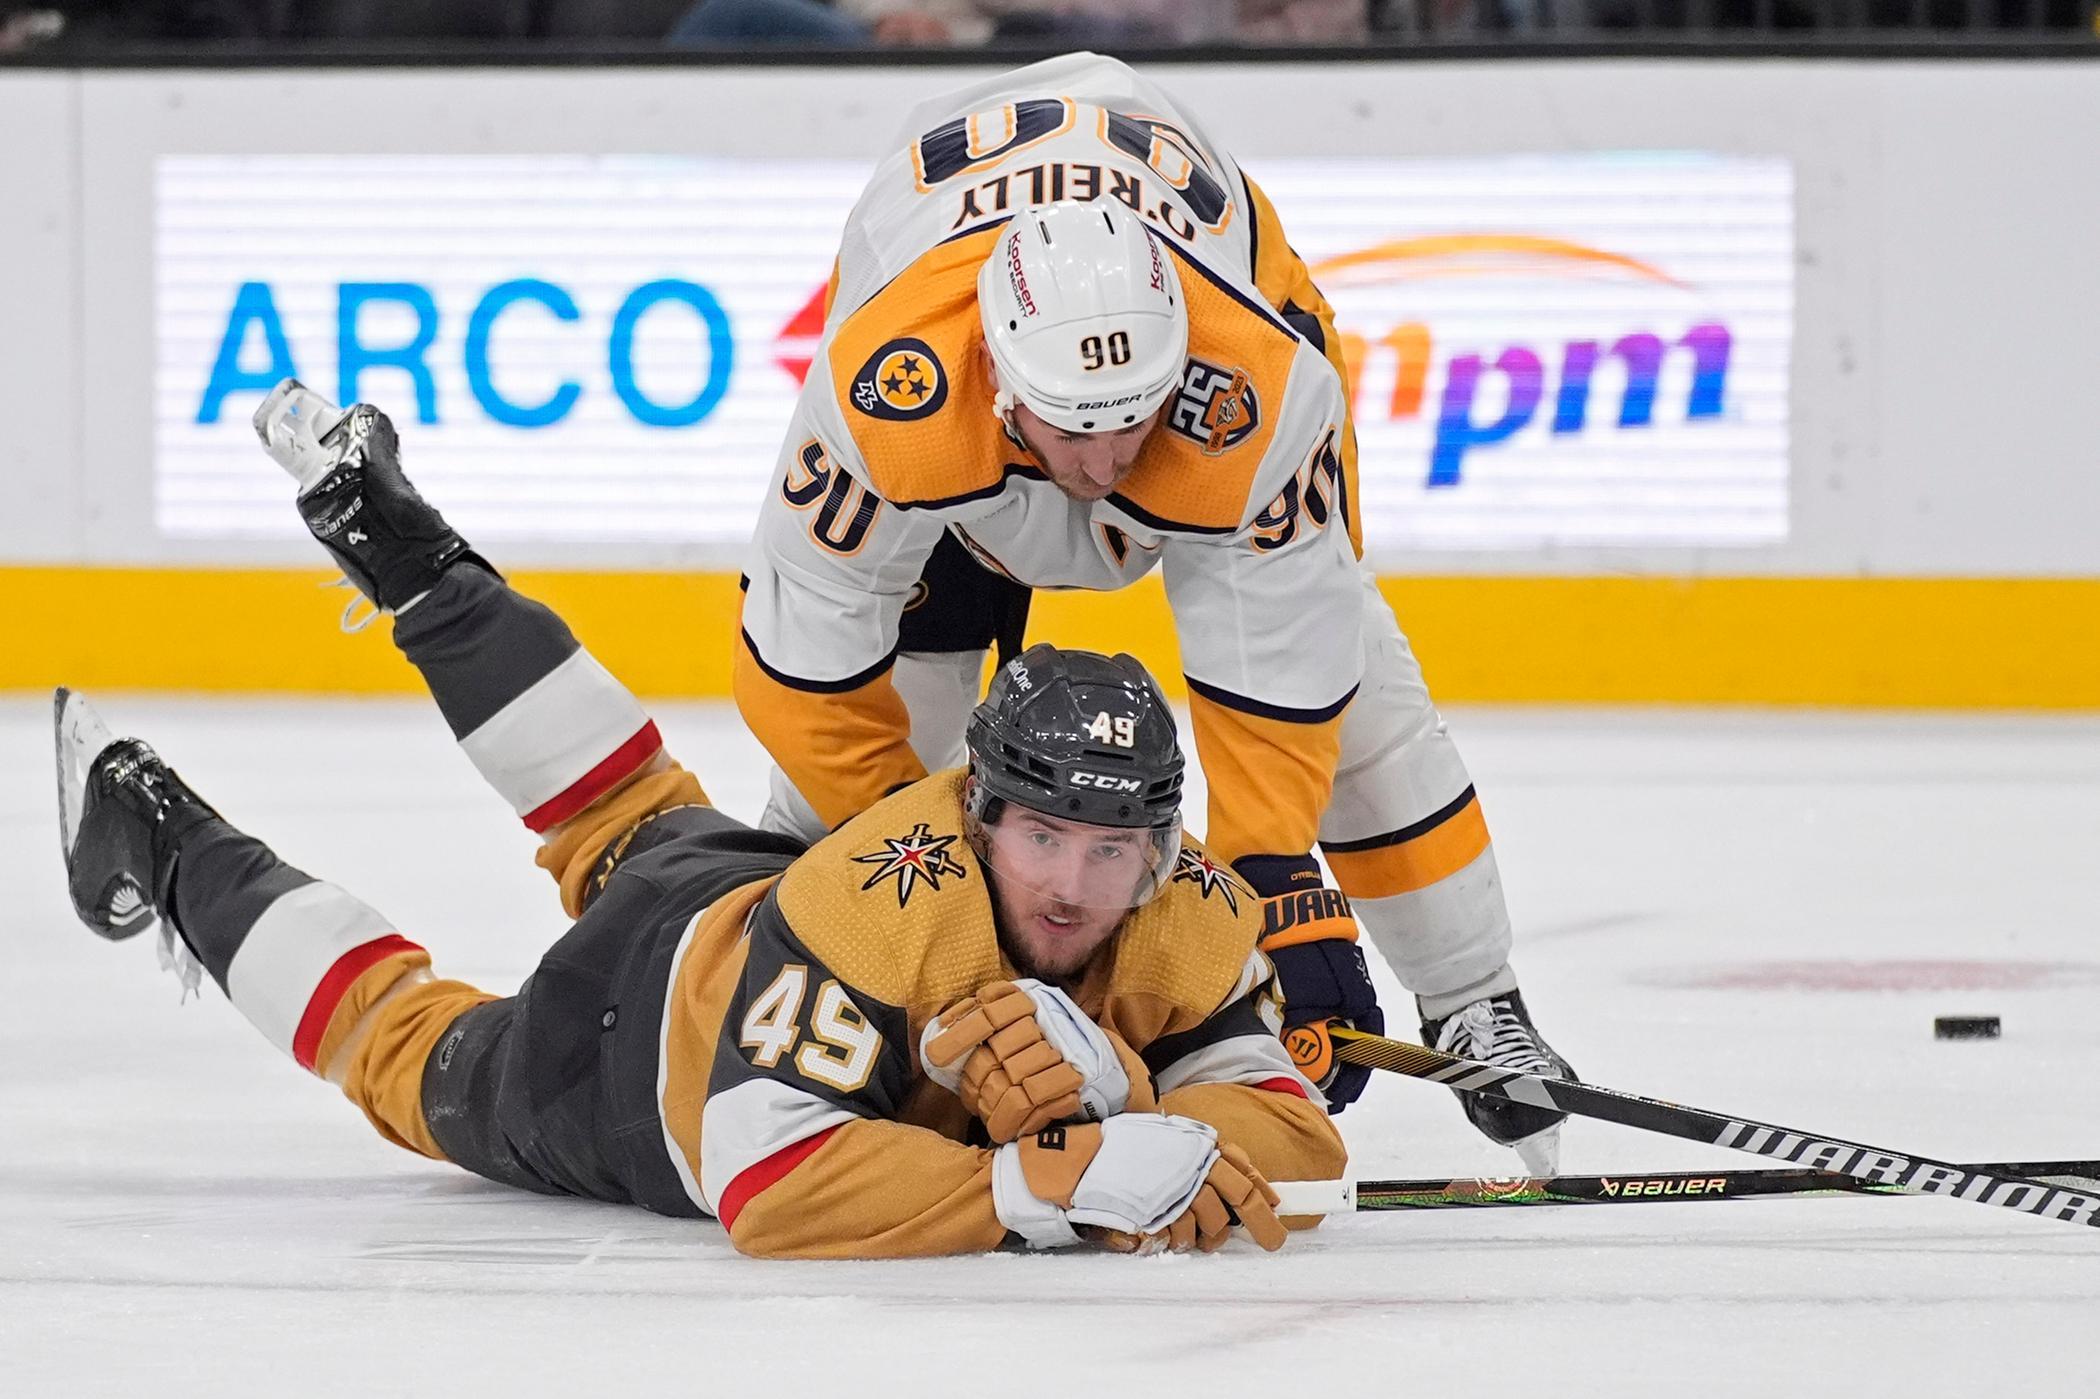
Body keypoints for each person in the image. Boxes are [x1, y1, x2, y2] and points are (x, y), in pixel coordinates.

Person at [53, 381, 1343, 1260]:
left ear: (1163, 851)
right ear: (975, 813)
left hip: (732, 883)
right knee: (405, 1051)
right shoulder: (885, 907)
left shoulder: (1188, 917)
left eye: (1112, 848)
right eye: (1044, 837)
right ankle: (164, 841)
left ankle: (399, 546)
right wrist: (1033, 1184)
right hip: (625, 1063)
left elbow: (1302, 1147)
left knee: (617, 796)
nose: (1074, 882)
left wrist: (1126, 1098)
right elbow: (765, 1177)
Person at [734, 51, 1574, 1166]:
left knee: (1361, 693)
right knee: (877, 739)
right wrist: (924, 900)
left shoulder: (1264, 386)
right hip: (961, 456)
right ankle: (778, 981)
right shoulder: (888, 391)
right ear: (998, 375)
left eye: (1133, 417)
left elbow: (1287, 663)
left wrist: (1275, 882)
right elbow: (807, 677)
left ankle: (1478, 996)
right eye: (1074, 427)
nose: (1105, 462)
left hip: (1187, 348)